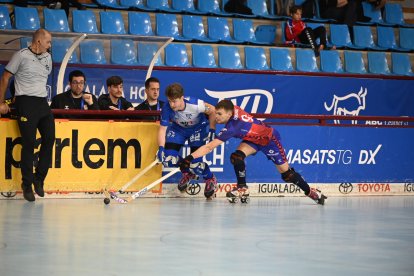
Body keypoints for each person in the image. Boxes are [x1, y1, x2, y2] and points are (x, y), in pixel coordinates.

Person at [178, 99, 327, 205]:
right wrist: (212, 124)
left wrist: (190, 157)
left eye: (220, 115)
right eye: (216, 113)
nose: (216, 117)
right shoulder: (232, 108)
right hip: (252, 140)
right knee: (237, 157)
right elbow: (220, 109)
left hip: (269, 140)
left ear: (230, 114)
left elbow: (209, 147)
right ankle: (242, 187)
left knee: (287, 175)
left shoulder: (232, 128)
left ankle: (311, 192)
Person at [0, 28, 55, 202]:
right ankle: (27, 184)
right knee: (29, 143)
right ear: (38, 41)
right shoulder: (21, 55)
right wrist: (1, 102)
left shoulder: (48, 57)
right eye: (48, 42)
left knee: (49, 139)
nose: (50, 45)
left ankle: (39, 179)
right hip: (25, 102)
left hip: (42, 102)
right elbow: (5, 78)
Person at [157, 83, 217, 199]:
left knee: (196, 164)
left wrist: (212, 129)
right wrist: (161, 147)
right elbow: (162, 129)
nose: (172, 104)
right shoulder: (166, 108)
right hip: (178, 130)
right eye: (170, 101)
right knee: (168, 159)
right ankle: (186, 172)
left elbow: (213, 111)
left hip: (197, 130)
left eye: (174, 101)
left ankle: (210, 178)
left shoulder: (196, 104)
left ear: (182, 98)